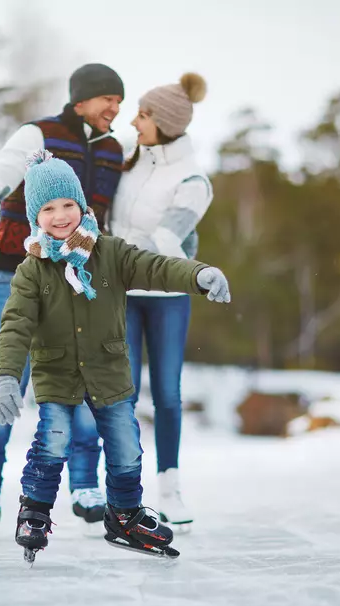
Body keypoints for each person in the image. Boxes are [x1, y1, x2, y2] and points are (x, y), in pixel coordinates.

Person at [0, 149, 231, 562]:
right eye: (48, 208)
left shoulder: (111, 253)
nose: (60, 215)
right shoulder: (32, 269)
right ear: (35, 217)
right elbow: (15, 326)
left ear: (82, 206)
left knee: (126, 447)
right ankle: (34, 511)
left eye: (68, 204)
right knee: (55, 440)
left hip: (109, 373)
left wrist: (198, 274)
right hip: (58, 375)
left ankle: (124, 515)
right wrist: (7, 376)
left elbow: (155, 267)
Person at [0, 63, 127, 536]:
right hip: (18, 271)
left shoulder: (117, 149)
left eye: (119, 101)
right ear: (81, 101)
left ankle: (84, 485)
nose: (115, 109)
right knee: (7, 372)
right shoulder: (39, 134)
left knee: (84, 373)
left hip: (79, 275)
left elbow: (142, 197)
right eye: (107, 100)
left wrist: (180, 234)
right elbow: (2, 169)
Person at [109, 73, 212, 530]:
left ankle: (169, 488)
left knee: (167, 394)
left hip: (167, 296)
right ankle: (122, 490)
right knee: (121, 393)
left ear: (166, 122)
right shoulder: (128, 166)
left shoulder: (193, 180)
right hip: (123, 296)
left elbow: (166, 241)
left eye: (144, 115)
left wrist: (115, 253)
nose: (134, 121)